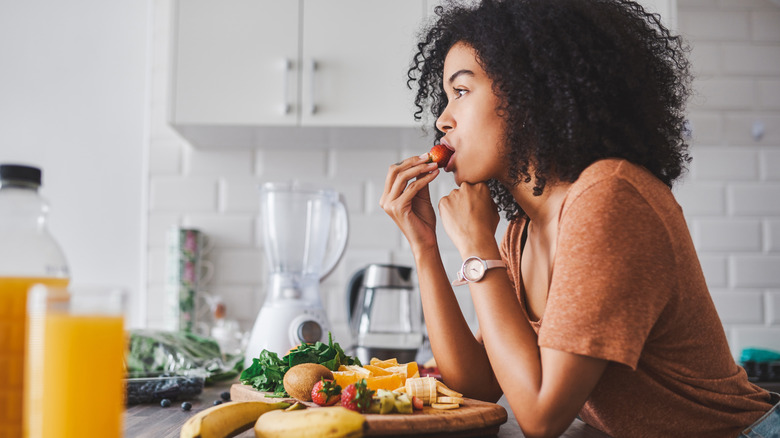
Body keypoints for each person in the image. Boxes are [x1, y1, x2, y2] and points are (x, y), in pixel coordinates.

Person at [380, 0, 778, 437]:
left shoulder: (609, 198)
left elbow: (541, 417)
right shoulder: (521, 231)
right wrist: (425, 246)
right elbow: (477, 385)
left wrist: (477, 249)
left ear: (528, 93)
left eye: (461, 91)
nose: (442, 118)